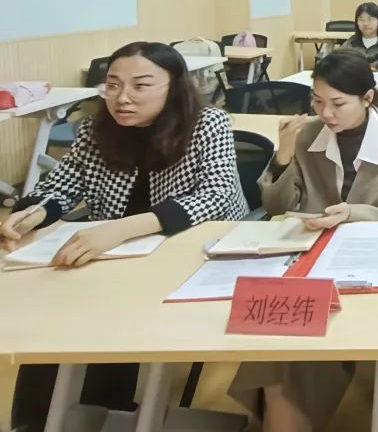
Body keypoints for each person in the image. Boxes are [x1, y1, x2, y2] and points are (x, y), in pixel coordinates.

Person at [3, 42, 247, 431]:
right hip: (115, 254)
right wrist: (32, 214)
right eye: (113, 85)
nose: (123, 98)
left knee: (112, 314)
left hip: (192, 250)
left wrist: (120, 229)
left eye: (140, 85)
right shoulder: (95, 129)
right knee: (55, 318)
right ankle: (43, 421)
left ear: (174, 86)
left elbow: (215, 196)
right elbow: (62, 185)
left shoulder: (207, 123)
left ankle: (106, 407)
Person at [229, 48, 378, 430]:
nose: (326, 113)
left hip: (368, 260)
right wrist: (283, 157)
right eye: (317, 101)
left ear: (367, 98)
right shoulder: (307, 134)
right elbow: (277, 207)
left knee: (288, 353)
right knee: (276, 341)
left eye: (338, 103)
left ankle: (278, 413)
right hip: (308, 255)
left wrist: (351, 213)